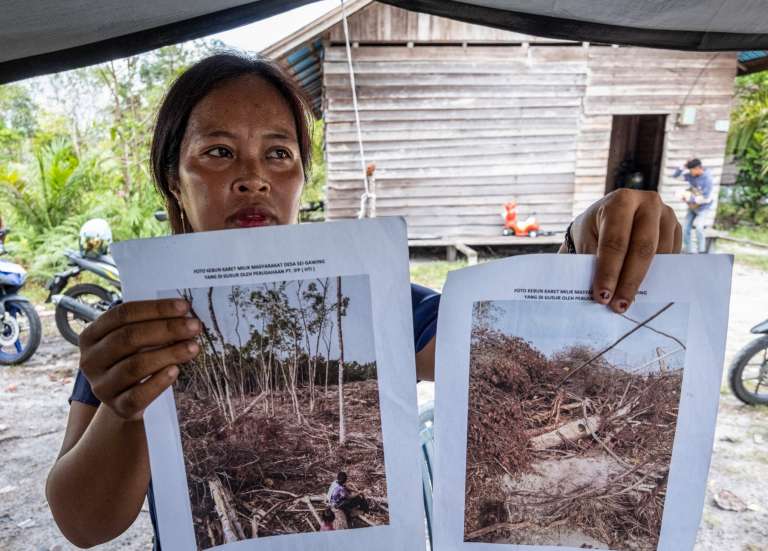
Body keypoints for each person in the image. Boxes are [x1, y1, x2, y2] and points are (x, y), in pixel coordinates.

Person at [46, 52, 681, 549]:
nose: (254, 175)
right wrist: (126, 406)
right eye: (217, 153)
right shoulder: (132, 333)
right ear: (173, 180)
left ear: (300, 178)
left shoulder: (379, 302)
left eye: (279, 153)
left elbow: (512, 333)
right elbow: (84, 523)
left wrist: (587, 241)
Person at [674, 158, 714, 253]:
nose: (690, 172)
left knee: (699, 228)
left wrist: (689, 198)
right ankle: (689, 251)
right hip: (692, 207)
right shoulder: (691, 175)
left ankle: (702, 252)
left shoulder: (707, 178)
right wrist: (683, 166)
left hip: (703, 208)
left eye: (691, 170)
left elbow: (706, 197)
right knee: (685, 228)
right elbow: (676, 176)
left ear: (697, 168)